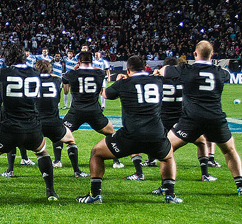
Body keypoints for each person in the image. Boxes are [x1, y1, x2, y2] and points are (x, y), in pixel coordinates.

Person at [77, 56, 182, 204]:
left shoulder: (124, 83)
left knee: (96, 152)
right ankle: (170, 195)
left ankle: (95, 195)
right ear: (146, 67)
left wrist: (120, 81)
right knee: (168, 157)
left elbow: (106, 94)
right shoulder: (158, 81)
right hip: (156, 134)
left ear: (127, 69)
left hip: (131, 135)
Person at [0, 43, 58, 205]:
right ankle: (51, 191)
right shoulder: (35, 72)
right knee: (43, 153)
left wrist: (5, 86)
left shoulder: (4, 72)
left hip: (9, 128)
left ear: (8, 58)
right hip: (33, 127)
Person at [164, 41, 242, 196]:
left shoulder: (186, 70)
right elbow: (226, 74)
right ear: (212, 55)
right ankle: (240, 185)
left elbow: (166, 71)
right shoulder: (221, 73)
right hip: (215, 118)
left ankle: (167, 188)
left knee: (166, 148)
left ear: (195, 54)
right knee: (230, 151)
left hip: (191, 119)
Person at [62, 50, 124, 169]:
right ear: (92, 61)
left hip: (76, 111)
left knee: (60, 133)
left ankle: (57, 161)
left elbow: (65, 80)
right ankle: (116, 161)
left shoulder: (71, 73)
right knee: (112, 133)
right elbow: (99, 75)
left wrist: (76, 69)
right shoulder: (100, 73)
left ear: (79, 61)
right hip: (94, 111)